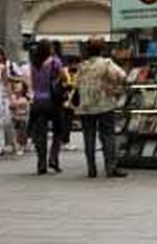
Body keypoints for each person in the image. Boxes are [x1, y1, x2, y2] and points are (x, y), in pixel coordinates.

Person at [75, 36, 127, 178]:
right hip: (104, 103)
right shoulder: (106, 63)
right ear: (102, 49)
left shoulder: (82, 66)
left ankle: (91, 168)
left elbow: (77, 84)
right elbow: (122, 75)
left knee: (88, 137)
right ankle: (111, 167)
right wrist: (111, 85)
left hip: (85, 106)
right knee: (108, 136)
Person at [27, 40, 67, 175]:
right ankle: (53, 157)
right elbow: (64, 77)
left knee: (40, 134)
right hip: (52, 100)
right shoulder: (55, 62)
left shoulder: (34, 63)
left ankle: (41, 163)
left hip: (37, 101)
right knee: (58, 130)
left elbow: (32, 82)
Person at [8, 80, 30, 157]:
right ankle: (15, 145)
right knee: (14, 132)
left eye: (19, 87)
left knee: (22, 132)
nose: (17, 88)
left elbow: (26, 110)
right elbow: (10, 106)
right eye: (16, 86)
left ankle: (22, 146)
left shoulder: (25, 99)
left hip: (22, 118)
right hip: (14, 117)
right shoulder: (12, 97)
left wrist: (17, 106)